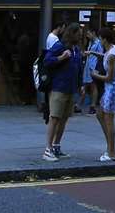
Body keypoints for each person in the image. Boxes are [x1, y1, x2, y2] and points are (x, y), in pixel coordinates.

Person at [42, 24, 82, 161]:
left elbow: (78, 69)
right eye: (79, 33)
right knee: (54, 118)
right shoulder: (60, 46)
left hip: (70, 89)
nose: (81, 36)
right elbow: (47, 60)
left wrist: (80, 85)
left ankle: (56, 146)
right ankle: (48, 149)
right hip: (58, 88)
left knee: (64, 119)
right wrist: (61, 58)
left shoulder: (77, 49)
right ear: (72, 34)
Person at [92, 29, 115, 161]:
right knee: (100, 114)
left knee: (109, 119)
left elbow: (109, 77)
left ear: (104, 39)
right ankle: (110, 147)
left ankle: (111, 152)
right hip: (110, 88)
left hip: (113, 88)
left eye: (100, 38)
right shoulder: (111, 50)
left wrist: (95, 75)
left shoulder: (111, 55)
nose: (99, 40)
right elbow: (104, 56)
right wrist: (93, 53)